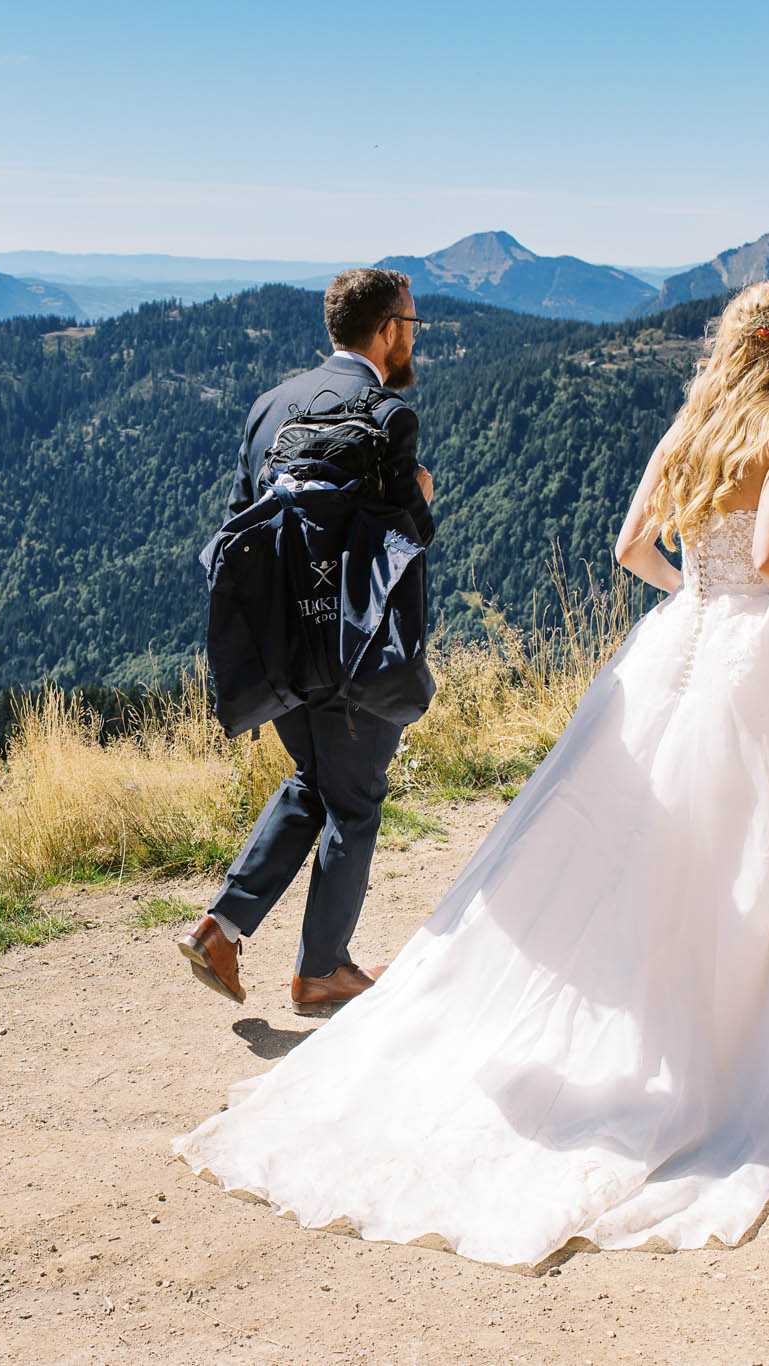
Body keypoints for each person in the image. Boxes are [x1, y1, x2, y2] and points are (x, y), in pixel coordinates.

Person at [174, 277, 769, 1267]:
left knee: (652, 838)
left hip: (674, 635)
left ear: (730, 345)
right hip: (756, 644)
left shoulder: (690, 431)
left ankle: (659, 1003)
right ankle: (747, 1018)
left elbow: (630, 547)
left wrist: (695, 593)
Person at [176, 267, 436, 1016]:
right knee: (354, 804)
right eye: (411, 325)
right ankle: (321, 970)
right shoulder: (385, 415)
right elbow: (399, 542)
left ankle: (220, 929)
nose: (411, 338)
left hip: (282, 648)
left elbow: (239, 520)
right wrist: (419, 499)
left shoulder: (269, 408)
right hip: (354, 649)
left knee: (312, 784)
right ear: (387, 330)